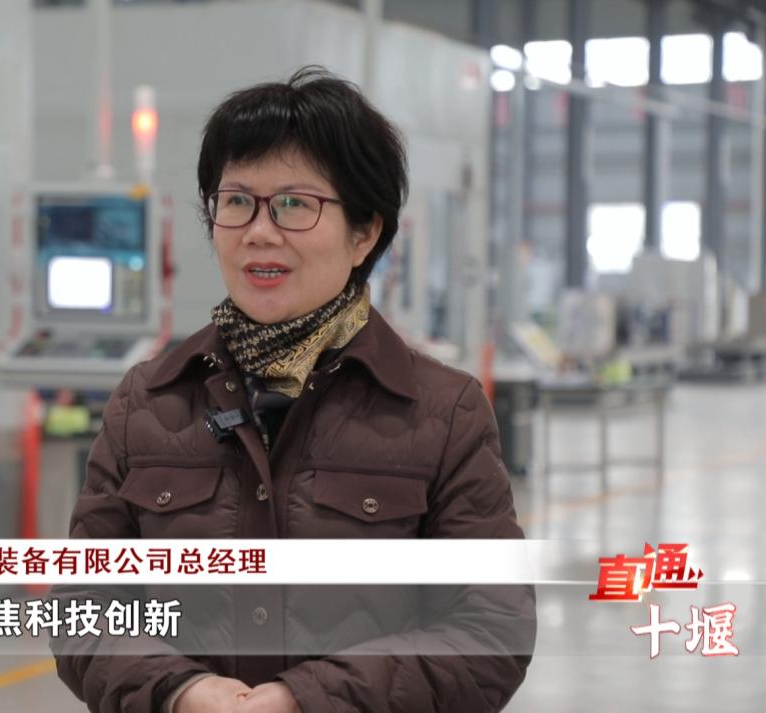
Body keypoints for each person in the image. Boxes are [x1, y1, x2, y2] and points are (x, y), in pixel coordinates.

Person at [51, 66, 535, 713]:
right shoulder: (149, 402)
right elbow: (83, 609)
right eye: (236, 201)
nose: (258, 230)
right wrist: (179, 689)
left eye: (294, 204)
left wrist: (305, 699)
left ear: (364, 232)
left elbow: (491, 630)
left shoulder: (441, 411)